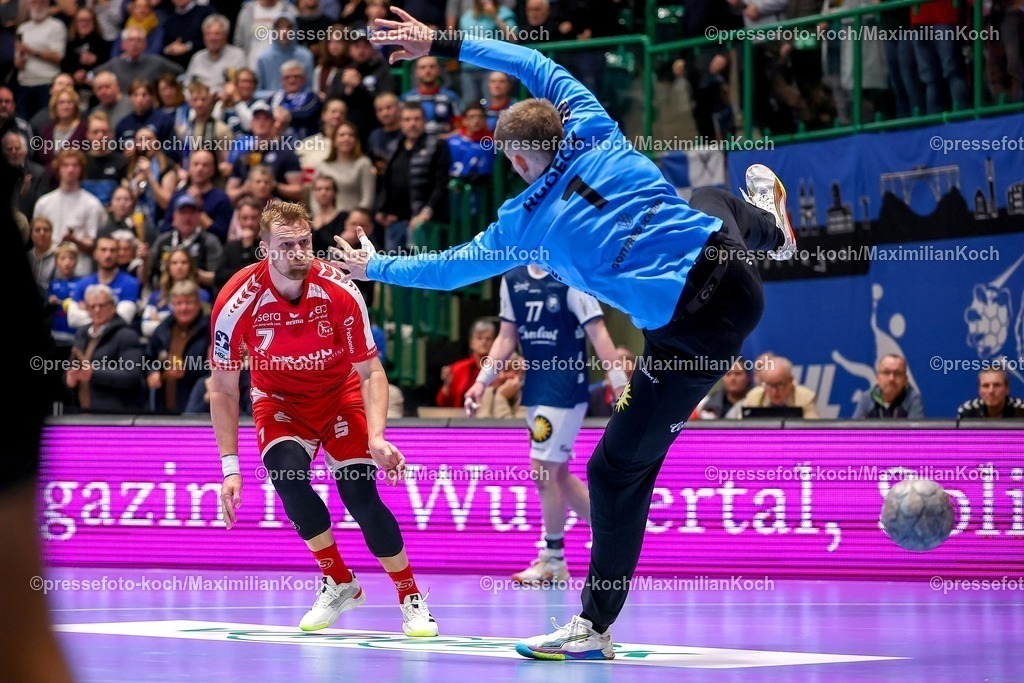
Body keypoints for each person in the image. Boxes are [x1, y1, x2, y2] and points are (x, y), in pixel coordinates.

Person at [341, 11, 795, 660]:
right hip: (733, 279)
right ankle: (769, 229)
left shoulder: (523, 223)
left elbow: (444, 269)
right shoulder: (592, 124)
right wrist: (438, 42)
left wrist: (372, 264)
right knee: (710, 200)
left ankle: (594, 626)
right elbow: (527, 63)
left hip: (692, 337)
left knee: (613, 474)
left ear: (520, 157)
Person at [210, 200, 438, 636]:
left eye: (304, 242)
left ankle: (410, 596)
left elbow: (371, 371)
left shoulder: (338, 289)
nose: (298, 253)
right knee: (288, 477)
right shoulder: (236, 301)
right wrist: (230, 468)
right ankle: (339, 580)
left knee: (360, 498)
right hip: (279, 400)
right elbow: (221, 388)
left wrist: (377, 436)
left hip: (339, 396)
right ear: (265, 249)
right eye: (286, 245)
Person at [465, 263, 625, 584]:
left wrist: (619, 380)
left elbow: (598, 332)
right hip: (536, 387)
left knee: (542, 470)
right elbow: (506, 338)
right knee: (558, 475)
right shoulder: (512, 280)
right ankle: (619, 537)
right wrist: (482, 381)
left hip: (565, 386)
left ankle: (553, 558)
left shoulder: (572, 274)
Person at [66, 283, 145, 412]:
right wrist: (70, 379)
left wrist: (94, 373)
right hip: (81, 412)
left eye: (101, 305)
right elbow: (72, 369)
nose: (97, 310)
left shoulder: (126, 335)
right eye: (92, 306)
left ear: (113, 307)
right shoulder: (82, 334)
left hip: (114, 416)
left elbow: (132, 376)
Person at [146, 280, 211, 413]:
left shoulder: (210, 330)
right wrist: (152, 372)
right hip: (163, 406)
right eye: (178, 303)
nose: (184, 308)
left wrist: (188, 371)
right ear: (171, 305)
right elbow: (149, 358)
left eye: (189, 303)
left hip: (198, 408)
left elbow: (215, 368)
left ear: (199, 304)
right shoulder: (162, 329)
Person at [141, 246, 212, 337]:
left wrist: (161, 318)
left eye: (184, 262)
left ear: (190, 266)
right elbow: (145, 328)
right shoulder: (156, 296)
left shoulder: (202, 295)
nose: (179, 266)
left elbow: (204, 326)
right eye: (174, 263)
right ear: (168, 268)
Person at [436, 317, 496, 407]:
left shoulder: (501, 369)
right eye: (479, 338)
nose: (484, 342)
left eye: (488, 339)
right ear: (472, 343)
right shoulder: (457, 369)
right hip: (461, 418)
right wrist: (447, 385)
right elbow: (442, 403)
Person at [734, 356, 819, 419]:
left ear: (790, 380)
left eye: (779, 385)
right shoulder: (754, 397)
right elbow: (740, 429)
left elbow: (813, 431)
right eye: (769, 385)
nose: (774, 391)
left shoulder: (805, 397)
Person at [852, 354, 925, 419]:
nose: (891, 378)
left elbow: (916, 433)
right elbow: (854, 432)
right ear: (878, 378)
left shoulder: (912, 398)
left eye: (897, 373)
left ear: (905, 380)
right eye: (886, 372)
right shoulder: (867, 398)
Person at [957, 368, 1024, 418]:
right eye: (986, 386)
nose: (991, 391)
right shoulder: (968, 410)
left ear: (1007, 389)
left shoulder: (1021, 409)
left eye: (997, 385)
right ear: (979, 390)